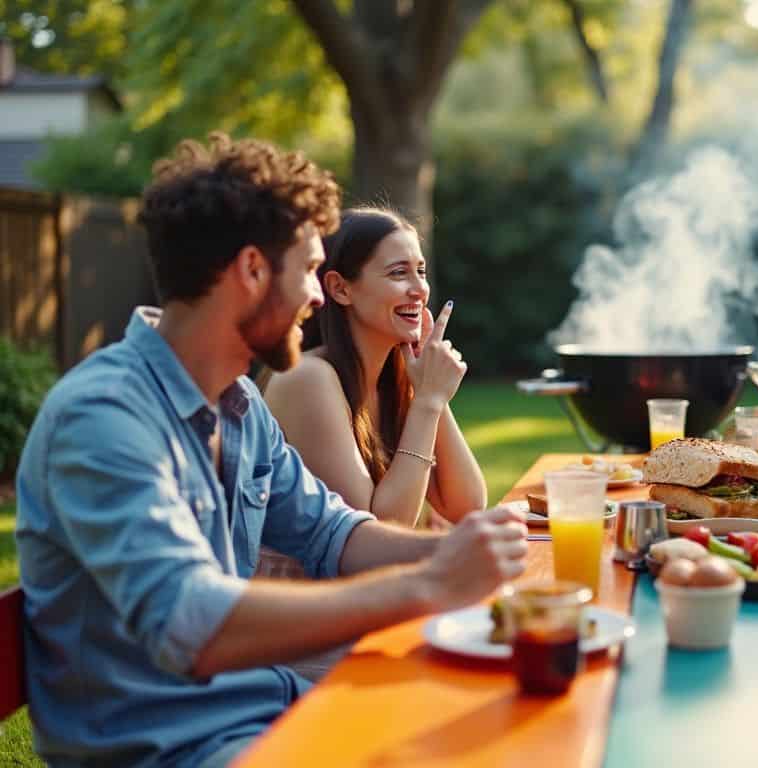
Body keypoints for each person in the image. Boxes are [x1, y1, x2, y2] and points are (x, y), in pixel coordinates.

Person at [14, 133, 527, 768]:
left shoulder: (240, 406)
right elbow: (190, 622)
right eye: (310, 271)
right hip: (175, 749)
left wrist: (462, 551)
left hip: (264, 709)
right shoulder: (104, 419)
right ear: (253, 271)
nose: (318, 297)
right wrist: (427, 583)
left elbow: (336, 534)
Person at [264, 208, 486, 533]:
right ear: (340, 289)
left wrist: (430, 391)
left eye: (421, 271)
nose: (419, 289)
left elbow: (465, 506)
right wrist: (428, 401)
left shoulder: (393, 379)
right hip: (300, 584)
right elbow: (375, 533)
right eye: (399, 273)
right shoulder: (307, 377)